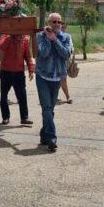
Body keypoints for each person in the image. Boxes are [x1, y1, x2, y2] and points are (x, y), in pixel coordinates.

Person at [35, 13, 72, 152]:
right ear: (48, 23)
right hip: (43, 76)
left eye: (59, 22)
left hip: (57, 78)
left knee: (50, 109)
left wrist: (55, 39)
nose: (56, 24)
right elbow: (43, 53)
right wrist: (48, 38)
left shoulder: (66, 37)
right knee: (46, 107)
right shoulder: (40, 36)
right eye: (53, 22)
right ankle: (52, 138)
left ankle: (44, 134)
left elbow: (66, 54)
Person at [0, 32, 34, 126]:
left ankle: (24, 117)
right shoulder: (5, 36)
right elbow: (1, 47)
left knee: (22, 96)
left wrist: (31, 69)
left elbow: (28, 56)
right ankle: (5, 117)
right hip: (5, 71)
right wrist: (10, 36)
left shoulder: (25, 39)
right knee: (3, 96)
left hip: (19, 72)